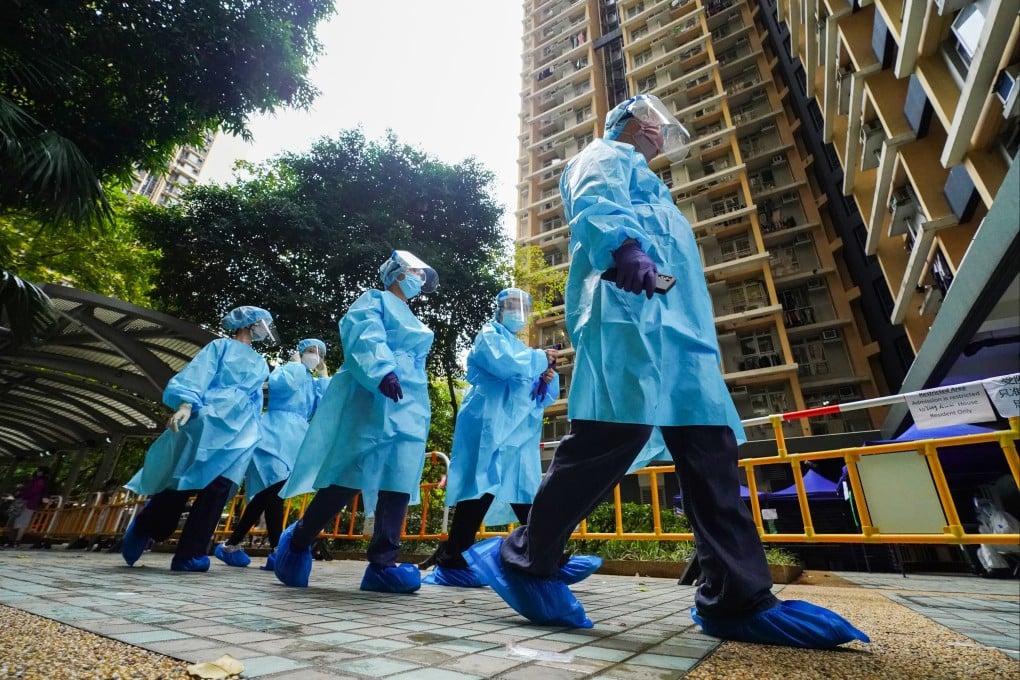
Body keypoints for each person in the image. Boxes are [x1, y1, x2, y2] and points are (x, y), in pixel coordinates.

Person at [464, 94, 869, 649]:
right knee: (610, 437)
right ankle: (527, 557)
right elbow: (594, 202)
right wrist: (624, 245)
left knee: (711, 451)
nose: (660, 138)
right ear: (632, 121)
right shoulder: (604, 155)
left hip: (683, 340)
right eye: (656, 127)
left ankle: (737, 597)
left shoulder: (661, 194)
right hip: (629, 322)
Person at [273, 250, 437, 593]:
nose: (418, 280)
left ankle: (383, 564)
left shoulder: (413, 317)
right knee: (350, 473)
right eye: (413, 273)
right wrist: (382, 370)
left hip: (410, 401)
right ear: (395, 272)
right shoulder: (372, 300)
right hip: (372, 394)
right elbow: (364, 336)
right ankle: (299, 539)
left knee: (400, 476)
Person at [419, 288, 599, 588]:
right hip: (488, 422)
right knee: (481, 488)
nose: (518, 311)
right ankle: (460, 558)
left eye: (522, 307)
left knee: (524, 489)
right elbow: (507, 364)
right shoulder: (489, 335)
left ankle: (541, 556)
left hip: (516, 429)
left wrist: (544, 381)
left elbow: (537, 393)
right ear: (499, 308)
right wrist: (539, 360)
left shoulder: (519, 348)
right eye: (512, 305)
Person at [121, 306, 274, 572]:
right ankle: (146, 525)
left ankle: (189, 554)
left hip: (242, 428)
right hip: (210, 419)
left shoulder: (261, 363)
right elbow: (199, 374)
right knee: (186, 480)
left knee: (218, 488)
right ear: (250, 323)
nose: (267, 328)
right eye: (264, 322)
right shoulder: (220, 347)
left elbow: (256, 399)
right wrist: (186, 404)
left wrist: (256, 433)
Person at [215, 338, 331, 570]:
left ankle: (231, 545)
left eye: (319, 353)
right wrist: (296, 365)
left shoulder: (312, 381)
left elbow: (328, 403)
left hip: (295, 439)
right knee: (274, 492)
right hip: (273, 434)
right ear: (299, 351)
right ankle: (278, 551)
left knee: (266, 495)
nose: (314, 355)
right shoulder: (289, 370)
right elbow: (281, 386)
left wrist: (325, 374)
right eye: (310, 350)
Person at [3, 467, 50, 547]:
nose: (38, 472)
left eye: (40, 471)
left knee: (20, 522)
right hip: (29, 503)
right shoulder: (39, 481)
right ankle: (15, 540)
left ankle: (15, 540)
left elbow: (32, 491)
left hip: (27, 503)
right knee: (20, 522)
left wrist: (22, 494)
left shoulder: (38, 482)